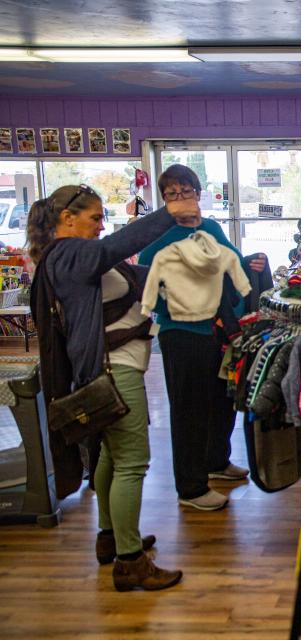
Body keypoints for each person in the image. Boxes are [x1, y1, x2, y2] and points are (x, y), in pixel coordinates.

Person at [27, 184, 196, 591]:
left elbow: (132, 273)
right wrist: (168, 213)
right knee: (133, 463)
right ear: (67, 219)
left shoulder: (82, 258)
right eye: (95, 218)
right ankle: (130, 561)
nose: (102, 227)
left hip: (112, 370)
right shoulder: (69, 253)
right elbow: (115, 249)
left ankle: (111, 537)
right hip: (112, 372)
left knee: (110, 457)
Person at [138, 164, 265, 512]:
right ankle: (191, 487)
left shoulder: (210, 226)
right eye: (172, 194)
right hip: (182, 332)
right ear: (164, 201)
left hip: (219, 331)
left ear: (198, 194)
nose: (181, 200)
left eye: (187, 192)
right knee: (189, 409)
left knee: (221, 399)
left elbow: (233, 261)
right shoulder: (155, 239)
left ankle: (216, 462)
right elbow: (145, 281)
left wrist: (250, 263)